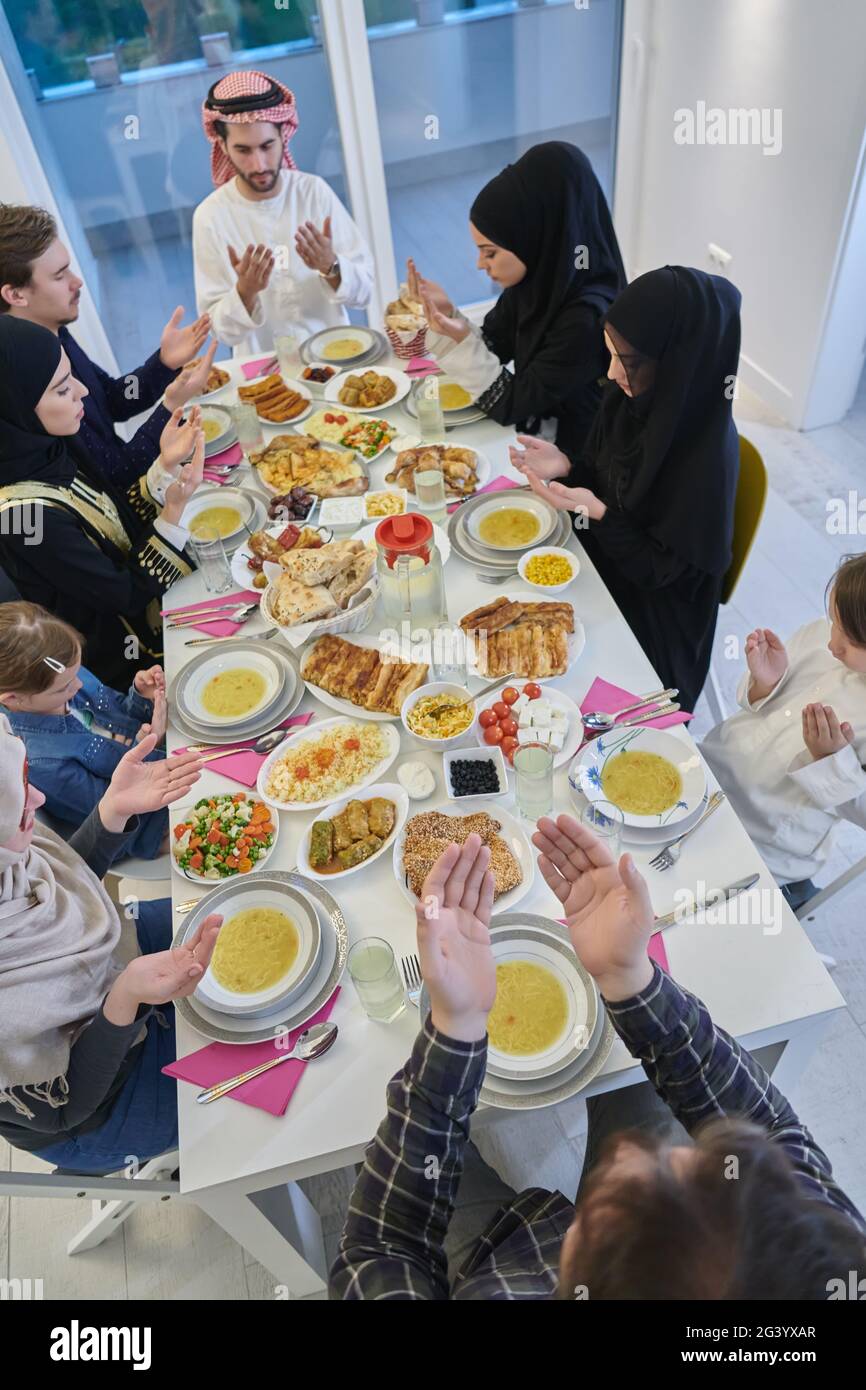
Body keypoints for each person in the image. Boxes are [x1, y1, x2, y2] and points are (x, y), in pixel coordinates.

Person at [330, 821, 865, 1299]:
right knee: (647, 1093)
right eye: (697, 1167)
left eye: (624, 1198)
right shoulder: (825, 1266)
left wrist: (454, 1031)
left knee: (369, 1135)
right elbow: (771, 1133)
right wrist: (629, 978)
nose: (628, 1151)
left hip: (490, 1268)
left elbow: (381, 1248)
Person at [510, 265, 741, 712]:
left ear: (676, 362)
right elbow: (606, 478)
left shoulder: (705, 461)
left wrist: (598, 515)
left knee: (552, 701)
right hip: (606, 564)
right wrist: (567, 466)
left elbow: (658, 572)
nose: (613, 373)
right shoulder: (634, 394)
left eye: (627, 361)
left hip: (657, 621)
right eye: (611, 354)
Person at [0, 715, 219, 1172]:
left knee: (246, 920)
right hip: (104, 1106)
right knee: (273, 1057)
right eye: (21, 806)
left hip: (121, 965)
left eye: (24, 779)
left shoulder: (6, 848)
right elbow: (67, 1106)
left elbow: (63, 890)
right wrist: (126, 997)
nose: (37, 802)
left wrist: (111, 811)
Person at [0, 316, 204, 688]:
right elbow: (122, 593)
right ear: (15, 409)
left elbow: (108, 521)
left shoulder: (45, 446)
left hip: (160, 610)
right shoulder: (23, 520)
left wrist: (163, 468)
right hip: (136, 666)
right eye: (62, 389)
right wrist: (172, 511)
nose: (83, 392)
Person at [412, 142, 626, 458]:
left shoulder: (586, 316)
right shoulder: (537, 280)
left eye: (490, 252)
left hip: (577, 462)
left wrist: (459, 338)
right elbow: (493, 347)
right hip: (538, 439)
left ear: (535, 235)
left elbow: (512, 403)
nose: (480, 264)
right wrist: (449, 316)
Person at [0, 202, 217, 496]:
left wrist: (163, 364)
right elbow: (116, 473)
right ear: (15, 294)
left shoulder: (55, 333)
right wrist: (169, 407)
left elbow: (113, 398)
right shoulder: (30, 394)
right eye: (59, 275)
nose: (77, 282)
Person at [702, 553, 866, 912]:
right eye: (834, 621)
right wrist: (766, 682)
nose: (832, 644)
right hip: (712, 770)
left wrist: (832, 763)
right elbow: (755, 704)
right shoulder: (822, 637)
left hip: (764, 837)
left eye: (852, 641)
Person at [193, 70, 374, 356]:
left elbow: (365, 294)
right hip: (264, 380)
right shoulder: (210, 216)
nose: (259, 164)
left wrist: (332, 267)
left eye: (267, 146)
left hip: (335, 360)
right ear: (223, 146)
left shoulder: (315, 193)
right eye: (243, 150)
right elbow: (220, 331)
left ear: (282, 134)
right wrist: (246, 291)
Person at [0, 601, 169, 863]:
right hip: (151, 827)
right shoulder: (42, 763)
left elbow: (122, 715)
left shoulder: (63, 674)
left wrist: (141, 699)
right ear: (14, 698)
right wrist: (152, 742)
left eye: (78, 671)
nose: (78, 685)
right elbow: (117, 810)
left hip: (164, 764)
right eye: (64, 687)